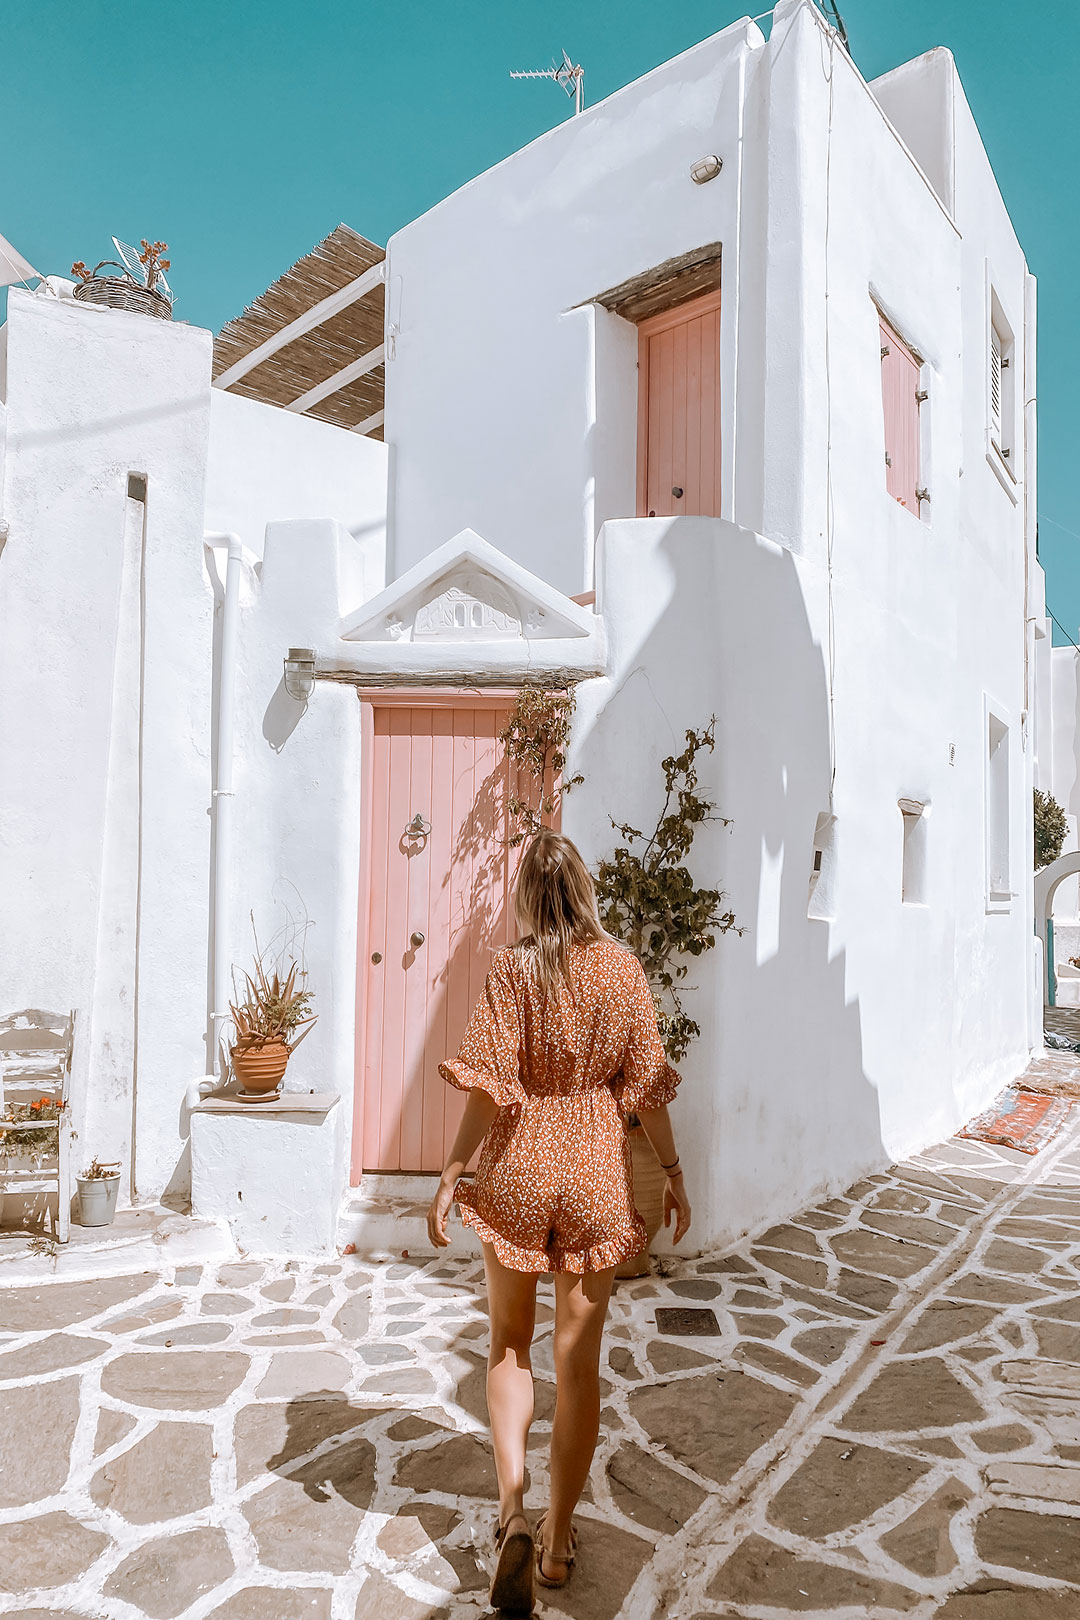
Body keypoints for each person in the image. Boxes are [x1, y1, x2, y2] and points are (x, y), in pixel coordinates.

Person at [427, 829, 692, 1614]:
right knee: (577, 1362)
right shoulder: (622, 969)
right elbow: (645, 1089)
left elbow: (487, 1086)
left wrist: (453, 1169)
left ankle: (512, 1507)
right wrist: (672, 1175)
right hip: (592, 1172)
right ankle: (557, 1540)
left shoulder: (513, 970)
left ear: (527, 898)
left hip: (517, 1163)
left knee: (508, 1341)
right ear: (584, 890)